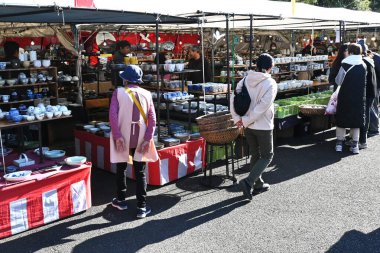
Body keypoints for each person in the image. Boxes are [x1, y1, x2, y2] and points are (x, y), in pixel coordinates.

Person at [109, 65, 159, 218]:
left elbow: (113, 115)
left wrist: (117, 136)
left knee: (121, 168)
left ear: (125, 79)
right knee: (140, 171)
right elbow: (152, 119)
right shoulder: (147, 94)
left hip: (122, 136)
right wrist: (147, 138)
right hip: (141, 137)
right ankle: (141, 207)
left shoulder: (118, 92)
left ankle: (121, 201)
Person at [230, 53, 277, 201]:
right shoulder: (270, 83)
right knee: (267, 155)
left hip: (248, 125)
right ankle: (249, 182)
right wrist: (244, 120)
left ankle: (258, 183)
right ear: (270, 67)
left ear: (256, 65)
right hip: (263, 125)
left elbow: (233, 99)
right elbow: (262, 107)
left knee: (255, 154)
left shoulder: (245, 79)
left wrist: (239, 119)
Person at [335, 43, 366, 154]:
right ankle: (355, 145)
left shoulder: (345, 64)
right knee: (356, 118)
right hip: (359, 96)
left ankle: (339, 143)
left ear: (351, 52)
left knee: (342, 117)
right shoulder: (363, 64)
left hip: (345, 95)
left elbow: (338, 81)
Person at [357, 41, 377, 149]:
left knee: (364, 115)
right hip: (372, 90)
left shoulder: (363, 61)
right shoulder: (370, 60)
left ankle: (362, 141)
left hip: (367, 92)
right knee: (367, 114)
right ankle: (362, 138)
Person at [368, 51, 380, 136]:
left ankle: (374, 129)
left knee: (373, 107)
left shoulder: (375, 58)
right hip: (375, 85)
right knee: (373, 107)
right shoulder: (376, 57)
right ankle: (373, 128)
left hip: (374, 86)